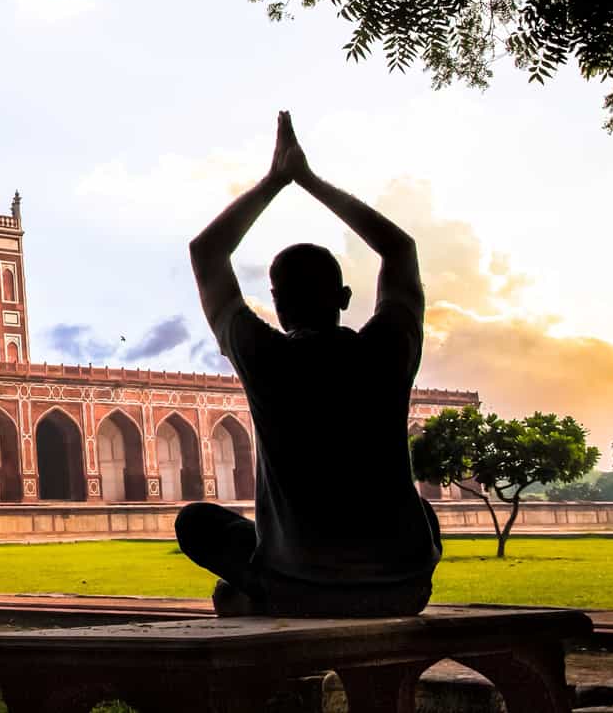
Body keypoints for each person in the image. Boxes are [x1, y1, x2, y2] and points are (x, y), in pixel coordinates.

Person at [178, 111, 440, 617]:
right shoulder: (389, 348)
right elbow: (400, 249)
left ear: (276, 303)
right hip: (405, 586)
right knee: (422, 509)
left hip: (301, 585)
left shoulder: (266, 358)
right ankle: (259, 590)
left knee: (198, 523)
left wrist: (275, 180)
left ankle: (253, 593)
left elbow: (207, 251)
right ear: (343, 296)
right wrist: (311, 181)